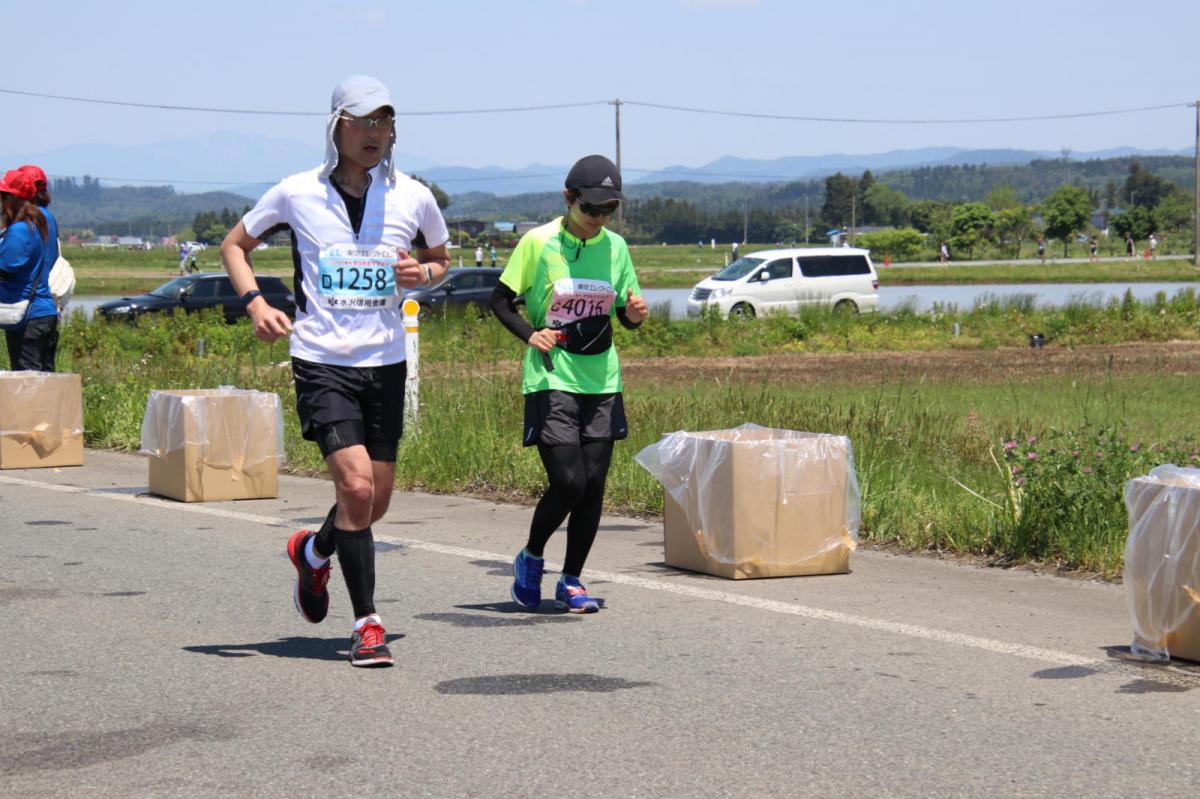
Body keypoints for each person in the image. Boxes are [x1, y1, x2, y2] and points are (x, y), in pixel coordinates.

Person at [221, 75, 451, 668]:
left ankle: (314, 551)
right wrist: (256, 303)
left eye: (386, 122)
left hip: (385, 362)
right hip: (322, 360)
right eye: (365, 121)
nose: (377, 133)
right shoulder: (297, 193)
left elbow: (441, 261)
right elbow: (234, 246)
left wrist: (422, 277)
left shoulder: (413, 196)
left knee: (373, 504)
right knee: (353, 488)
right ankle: (368, 623)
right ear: (337, 126)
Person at [489, 154, 648, 614]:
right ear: (568, 198)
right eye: (590, 209)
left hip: (602, 379)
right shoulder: (538, 243)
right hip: (552, 377)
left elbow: (624, 311)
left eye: (607, 211)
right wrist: (529, 332)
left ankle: (572, 579)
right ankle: (531, 556)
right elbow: (499, 301)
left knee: (594, 484)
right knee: (569, 480)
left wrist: (634, 316)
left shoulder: (615, 248)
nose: (598, 219)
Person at [0, 169, 57, 371]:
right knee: (44, 379)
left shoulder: (19, 230)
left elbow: (5, 269)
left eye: (3, 196)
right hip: (40, 313)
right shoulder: (37, 223)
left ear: (13, 199)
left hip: (28, 315)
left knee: (27, 383)